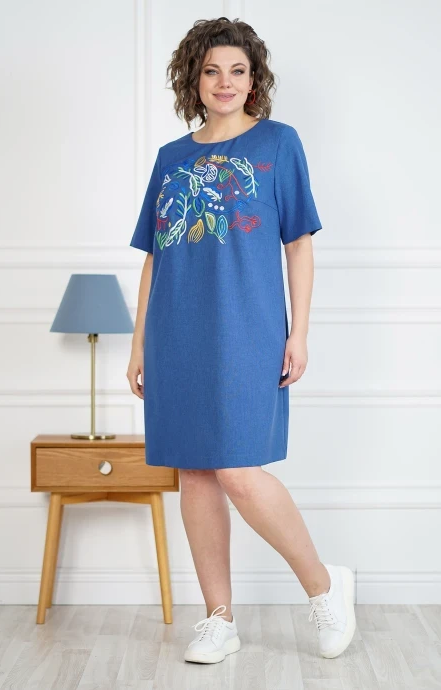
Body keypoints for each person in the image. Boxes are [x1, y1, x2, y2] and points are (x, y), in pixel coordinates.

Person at [127, 17, 356, 664]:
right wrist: (139, 344)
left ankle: (324, 587)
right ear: (193, 79)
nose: (224, 82)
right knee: (196, 472)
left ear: (254, 80)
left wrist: (299, 332)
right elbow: (155, 256)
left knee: (237, 471)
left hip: (248, 330)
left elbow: (299, 243)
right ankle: (218, 619)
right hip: (175, 334)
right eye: (211, 70)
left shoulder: (279, 144)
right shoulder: (171, 158)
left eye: (237, 70)